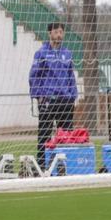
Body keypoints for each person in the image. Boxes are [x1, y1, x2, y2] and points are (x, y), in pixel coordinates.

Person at [28, 21, 78, 170]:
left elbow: (71, 77)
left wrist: (72, 95)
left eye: (61, 32)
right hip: (48, 100)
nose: (59, 35)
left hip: (65, 101)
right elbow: (34, 76)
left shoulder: (67, 54)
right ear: (49, 34)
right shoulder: (41, 53)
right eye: (56, 32)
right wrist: (38, 96)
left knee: (66, 135)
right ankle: (42, 166)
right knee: (45, 134)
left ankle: (64, 166)